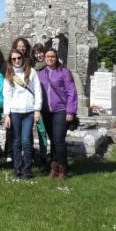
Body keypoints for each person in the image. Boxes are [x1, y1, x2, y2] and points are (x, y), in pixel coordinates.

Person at [37, 48, 78, 181]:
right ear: (44, 58)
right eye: (48, 56)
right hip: (46, 112)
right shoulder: (41, 73)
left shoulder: (64, 72)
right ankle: (53, 168)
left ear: (56, 58)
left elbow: (72, 92)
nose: (50, 58)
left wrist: (70, 111)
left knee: (59, 140)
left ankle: (63, 168)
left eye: (53, 56)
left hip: (61, 110)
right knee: (53, 141)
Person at [3, 49, 42, 179]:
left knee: (26, 141)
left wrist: (37, 110)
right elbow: (7, 96)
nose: (16, 61)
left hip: (29, 112)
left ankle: (27, 170)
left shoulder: (32, 72)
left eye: (18, 58)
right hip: (15, 112)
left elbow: (38, 91)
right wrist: (6, 114)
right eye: (13, 59)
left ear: (23, 58)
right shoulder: (9, 75)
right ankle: (17, 169)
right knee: (16, 142)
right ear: (10, 61)